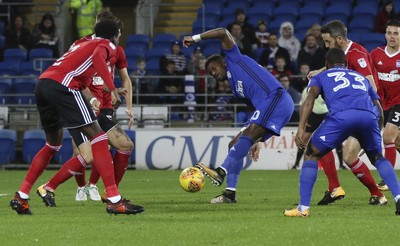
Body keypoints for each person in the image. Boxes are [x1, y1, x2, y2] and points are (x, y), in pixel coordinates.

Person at [9, 19, 143, 215]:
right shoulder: (106, 45)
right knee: (99, 137)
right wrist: (113, 90)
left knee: (52, 145)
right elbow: (98, 57)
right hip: (64, 86)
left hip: (44, 84)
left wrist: (106, 91)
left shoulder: (82, 43)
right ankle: (114, 200)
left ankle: (21, 196)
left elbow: (81, 72)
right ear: (116, 35)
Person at [284, 48, 400, 217]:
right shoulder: (360, 77)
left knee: (311, 154)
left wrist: (301, 127)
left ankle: (303, 208)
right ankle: (397, 196)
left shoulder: (321, 76)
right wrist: (378, 128)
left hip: (341, 116)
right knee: (377, 158)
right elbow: (377, 105)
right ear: (346, 64)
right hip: (368, 117)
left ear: (326, 64)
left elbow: (310, 99)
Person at [183, 27, 294, 203]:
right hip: (269, 106)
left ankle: (220, 172)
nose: (213, 73)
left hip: (277, 98)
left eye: (213, 68)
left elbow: (222, 31)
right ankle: (229, 194)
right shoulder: (236, 90)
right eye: (210, 73)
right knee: (233, 143)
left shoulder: (233, 58)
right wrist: (251, 137)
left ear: (223, 62)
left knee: (247, 136)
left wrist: (195, 38)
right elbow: (255, 109)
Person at [38, 12, 135, 203]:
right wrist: (91, 99)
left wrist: (126, 104)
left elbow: (124, 79)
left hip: (104, 107)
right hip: (82, 102)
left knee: (98, 152)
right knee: (88, 154)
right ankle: (92, 190)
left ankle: (52, 187)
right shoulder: (82, 44)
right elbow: (76, 78)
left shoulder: (116, 50)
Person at [307, 20, 385, 206]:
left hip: (367, 112)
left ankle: (384, 193)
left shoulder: (357, 55)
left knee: (340, 151)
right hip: (354, 110)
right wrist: (319, 72)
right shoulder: (342, 56)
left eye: (328, 42)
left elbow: (371, 86)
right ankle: (373, 194)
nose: (326, 46)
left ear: (339, 39)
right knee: (336, 149)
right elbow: (336, 68)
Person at [370, 19, 400, 191]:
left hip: (399, 103)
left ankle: (387, 179)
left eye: (396, 33)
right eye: (389, 33)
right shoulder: (376, 54)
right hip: (383, 105)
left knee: (388, 137)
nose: (392, 37)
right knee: (396, 143)